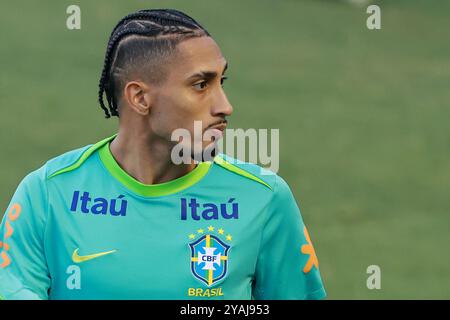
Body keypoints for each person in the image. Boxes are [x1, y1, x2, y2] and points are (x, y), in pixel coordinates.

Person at [0, 8, 325, 300]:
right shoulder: (48, 193)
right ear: (140, 98)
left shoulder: (263, 199)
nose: (225, 106)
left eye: (221, 81)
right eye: (201, 85)